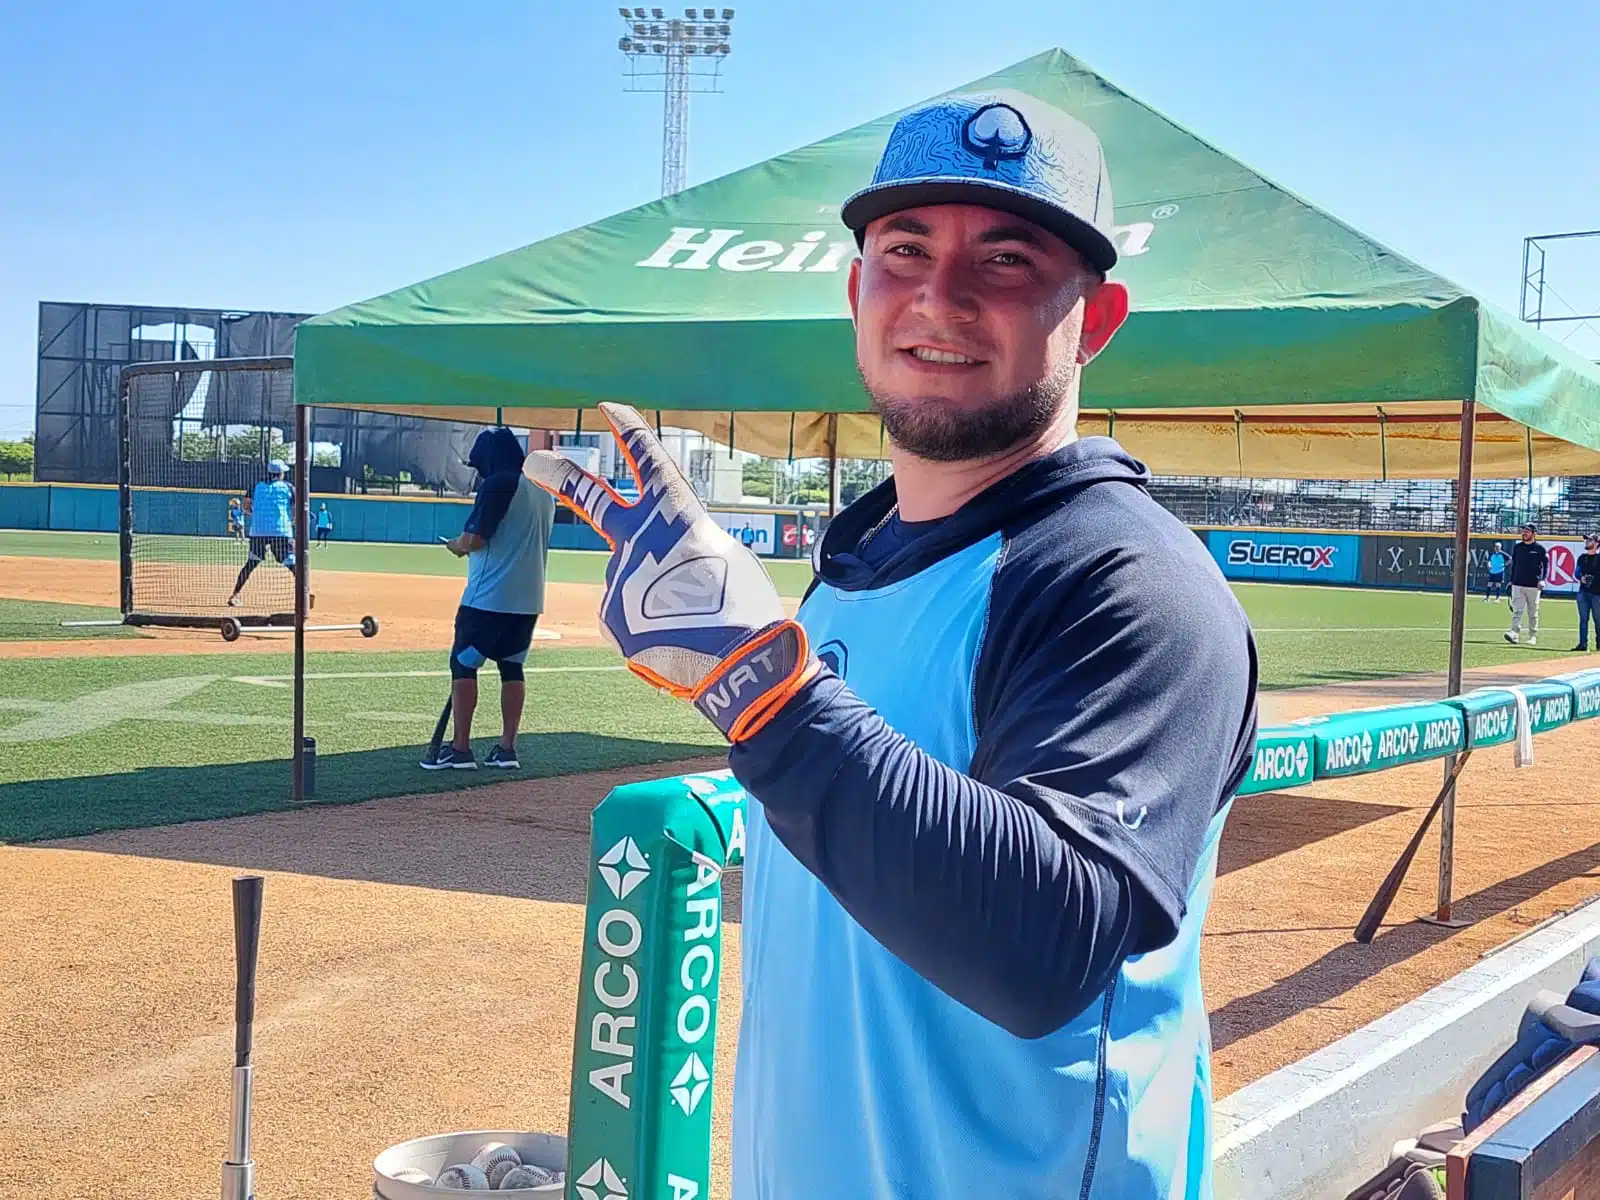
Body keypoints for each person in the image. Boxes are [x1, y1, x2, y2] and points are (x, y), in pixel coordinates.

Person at [527, 90, 1258, 1200]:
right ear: (855, 291)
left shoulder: (1126, 578)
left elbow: (1043, 941)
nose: (939, 296)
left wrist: (758, 687)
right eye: (903, 251)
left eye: (1005, 260)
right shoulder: (850, 564)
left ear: (1095, 319)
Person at [424, 427, 555, 771]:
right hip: (528, 598)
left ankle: (461, 749)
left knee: (464, 665)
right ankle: (506, 748)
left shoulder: (499, 484)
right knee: (512, 666)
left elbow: (475, 539)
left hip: (488, 597)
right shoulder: (543, 490)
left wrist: (455, 545)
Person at [228, 461, 297, 607]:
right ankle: (304, 593)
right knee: (292, 562)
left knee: (251, 563)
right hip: (281, 531)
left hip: (258, 531)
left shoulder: (256, 486)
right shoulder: (289, 487)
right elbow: (296, 509)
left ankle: (234, 595)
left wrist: (259, 514)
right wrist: (292, 520)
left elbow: (246, 508)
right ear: (281, 474)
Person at [1505, 523, 1549, 645]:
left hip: (1533, 585)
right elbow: (1514, 565)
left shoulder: (1540, 549)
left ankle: (1532, 636)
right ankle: (1514, 633)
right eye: (1523, 530)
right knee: (1517, 610)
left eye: (1527, 531)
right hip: (1517, 584)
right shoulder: (1517, 547)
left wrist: (1543, 579)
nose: (1524, 533)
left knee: (1533, 612)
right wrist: (1511, 580)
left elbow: (1546, 565)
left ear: (1533, 533)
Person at [1575, 533, 1599, 652]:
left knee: (1598, 619)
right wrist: (1581, 578)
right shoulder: (1582, 557)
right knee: (1583, 619)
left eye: (1589, 540)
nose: (1587, 542)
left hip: (1597, 593)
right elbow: (1577, 572)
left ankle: (1599, 643)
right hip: (1583, 592)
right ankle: (1582, 643)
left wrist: (1594, 578)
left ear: (1596, 543)